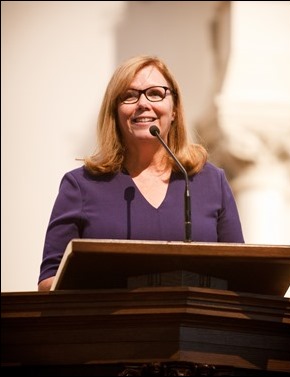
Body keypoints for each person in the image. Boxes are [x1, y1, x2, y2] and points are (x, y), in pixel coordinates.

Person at [38, 55, 244, 291]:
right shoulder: (81, 185)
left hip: (196, 327)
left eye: (156, 93)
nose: (143, 103)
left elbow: (240, 274)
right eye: (129, 95)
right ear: (114, 112)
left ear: (174, 109)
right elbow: (49, 281)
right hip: (112, 326)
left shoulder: (210, 182)